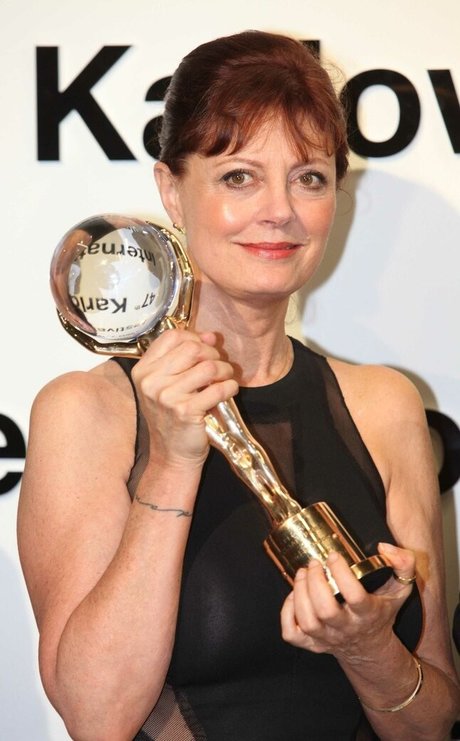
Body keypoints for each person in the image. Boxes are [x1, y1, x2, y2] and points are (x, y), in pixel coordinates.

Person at [18, 30, 459, 740]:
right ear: (172, 191)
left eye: (309, 177)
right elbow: (96, 718)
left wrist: (368, 648)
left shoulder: (385, 406)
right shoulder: (86, 412)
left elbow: (434, 723)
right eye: (239, 177)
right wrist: (171, 460)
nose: (280, 209)